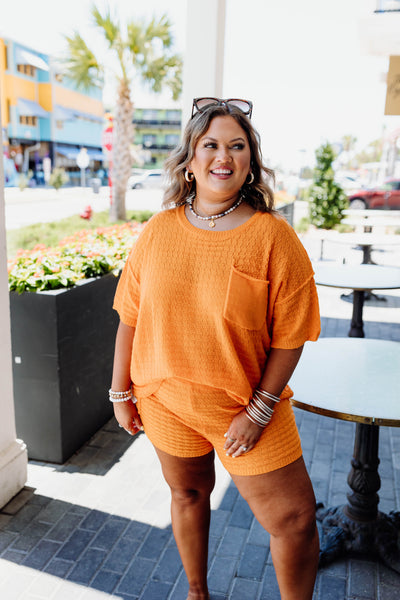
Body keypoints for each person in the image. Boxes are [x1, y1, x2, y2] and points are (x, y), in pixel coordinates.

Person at [110, 97, 321, 600]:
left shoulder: (273, 237)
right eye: (210, 144)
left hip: (244, 407)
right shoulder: (159, 230)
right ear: (190, 160)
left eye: (236, 145)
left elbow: (292, 334)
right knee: (186, 493)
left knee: (294, 521)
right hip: (165, 402)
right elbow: (130, 317)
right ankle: (197, 593)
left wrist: (260, 408)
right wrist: (121, 394)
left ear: (250, 161)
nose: (222, 156)